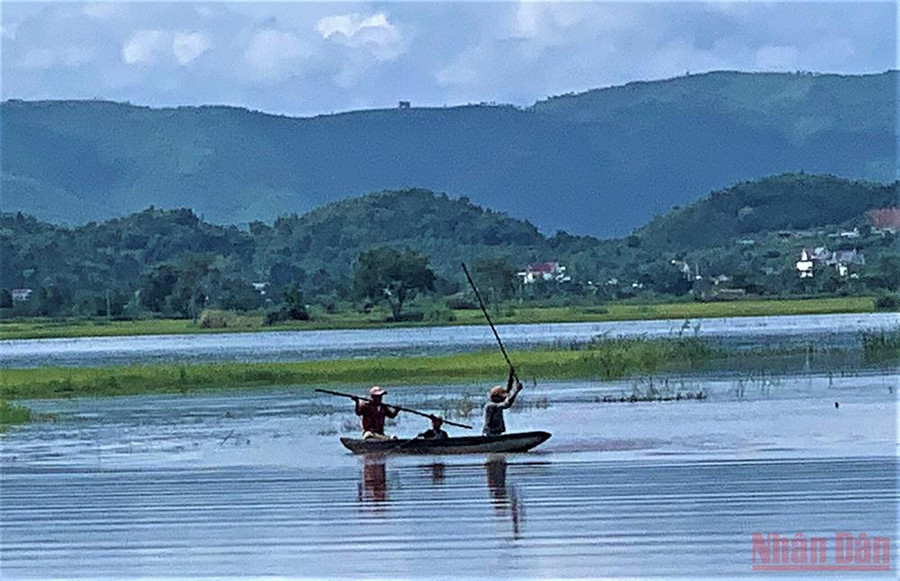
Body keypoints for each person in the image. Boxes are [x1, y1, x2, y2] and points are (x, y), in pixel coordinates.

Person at [483, 368, 523, 436]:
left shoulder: (496, 403)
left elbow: (507, 390)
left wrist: (510, 376)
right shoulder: (491, 406)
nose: (504, 396)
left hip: (497, 433)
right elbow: (507, 404)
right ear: (496, 396)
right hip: (491, 434)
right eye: (502, 395)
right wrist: (516, 391)